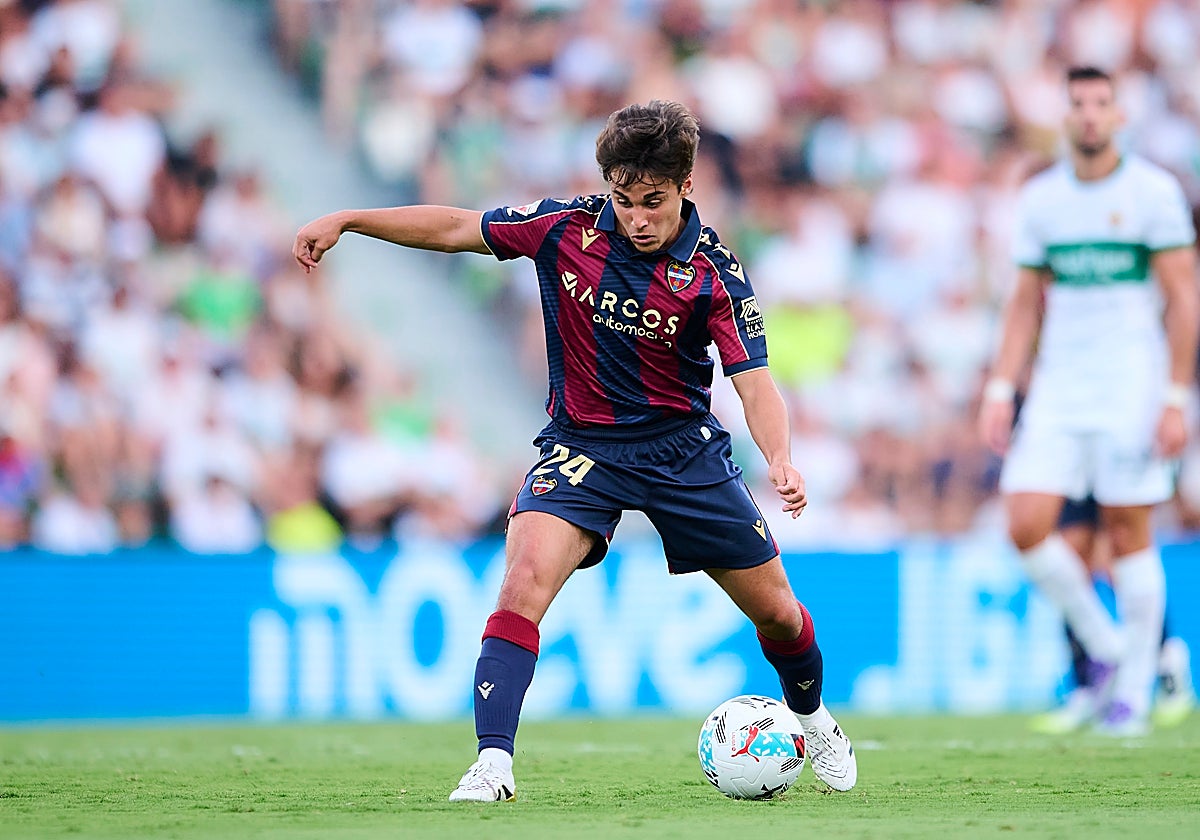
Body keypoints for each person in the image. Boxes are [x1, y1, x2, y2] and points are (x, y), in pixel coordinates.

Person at [293, 100, 857, 800]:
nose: (637, 217)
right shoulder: (565, 228)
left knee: (776, 612)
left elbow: (755, 381)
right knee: (522, 579)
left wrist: (778, 458)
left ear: (685, 187)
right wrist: (349, 219)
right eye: (624, 201)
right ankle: (492, 763)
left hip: (683, 454)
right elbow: (455, 226)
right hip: (581, 448)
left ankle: (813, 715)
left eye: (653, 202)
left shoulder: (715, 273)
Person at [979, 66, 1199, 736]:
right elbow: (1022, 304)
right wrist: (1001, 386)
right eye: (1079, 104)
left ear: (1120, 114)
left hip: (1131, 381)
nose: (1090, 115)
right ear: (1066, 116)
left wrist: (1174, 396)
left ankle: (1132, 691)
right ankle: (1111, 653)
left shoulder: (1153, 193)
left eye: (1102, 103)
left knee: (1128, 530)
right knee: (1024, 522)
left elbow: (1185, 297)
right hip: (1060, 384)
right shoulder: (1043, 199)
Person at [1031, 494, 1196, 734]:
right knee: (1072, 557)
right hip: (1075, 463)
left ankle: (1166, 658)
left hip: (1111, 464)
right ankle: (1086, 681)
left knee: (1119, 555)